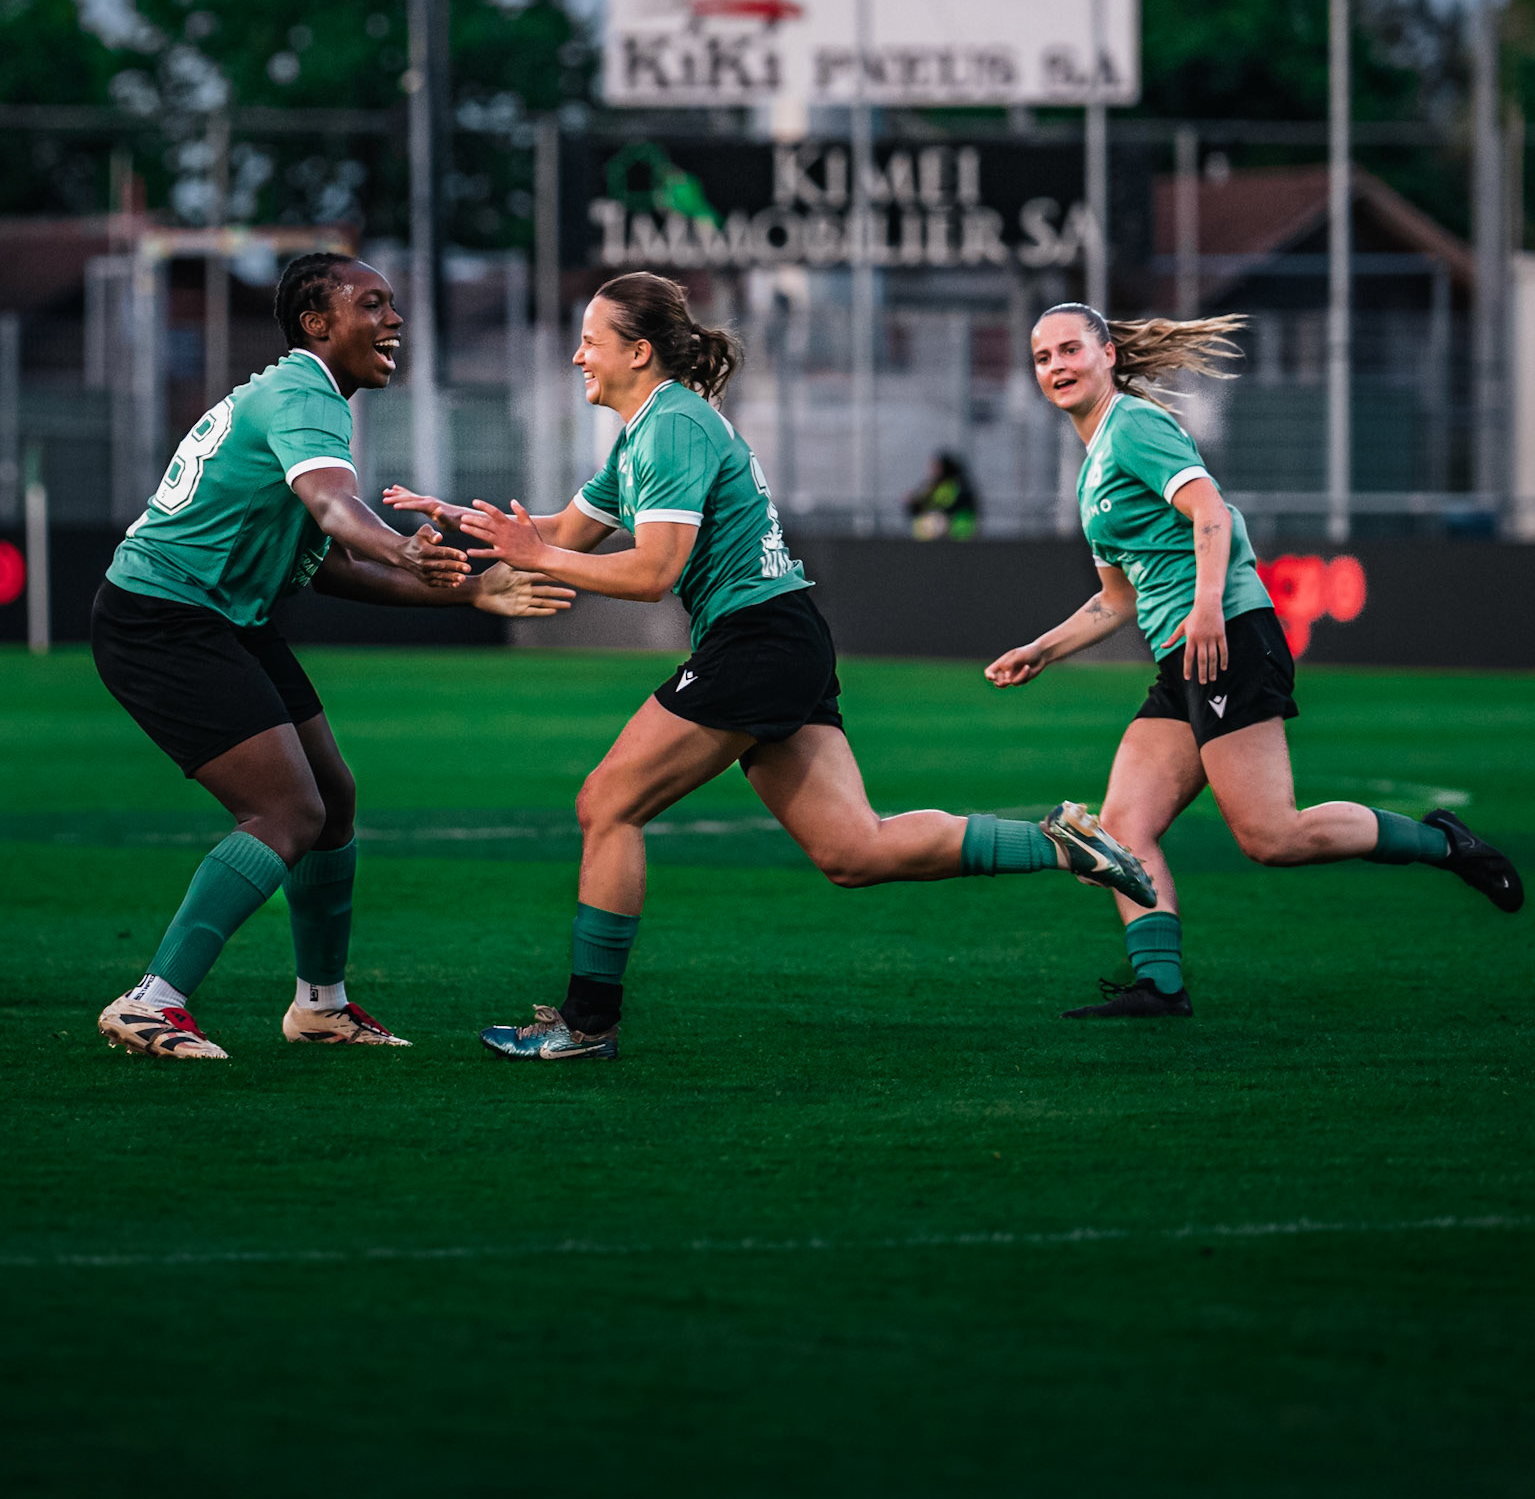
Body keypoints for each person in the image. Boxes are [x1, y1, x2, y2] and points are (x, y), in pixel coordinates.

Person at [383, 269, 1155, 1062]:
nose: (577, 355)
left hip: (757, 640)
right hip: (777, 637)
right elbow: (561, 534)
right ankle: (1063, 845)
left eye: (590, 340)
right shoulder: (650, 427)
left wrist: (536, 554)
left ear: (639, 352)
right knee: (853, 852)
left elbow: (650, 572)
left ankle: (585, 1026)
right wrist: (460, 520)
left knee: (606, 804)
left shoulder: (673, 426)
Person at [91, 252, 574, 1060]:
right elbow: (333, 507)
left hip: (219, 617)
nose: (393, 320)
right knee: (288, 811)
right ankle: (152, 1001)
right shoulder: (304, 389)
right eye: (372, 304)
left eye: (393, 305)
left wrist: (467, 591)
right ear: (318, 324)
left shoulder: (299, 397)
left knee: (333, 801)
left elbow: (331, 563)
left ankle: (320, 1007)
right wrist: (403, 549)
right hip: (162, 615)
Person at [984, 302, 1523, 1020]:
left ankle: (1443, 845)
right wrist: (1040, 650)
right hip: (1184, 657)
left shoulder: (1134, 426)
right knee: (1118, 833)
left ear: (1107, 354)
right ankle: (1159, 986)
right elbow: (1115, 601)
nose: (1055, 365)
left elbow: (1211, 513)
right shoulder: (1090, 471)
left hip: (1226, 638)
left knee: (1272, 837)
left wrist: (1206, 605)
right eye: (1042, 357)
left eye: (1068, 349)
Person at [905, 451, 980, 542]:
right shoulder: (932, 486)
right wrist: (913, 503)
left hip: (958, 529)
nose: (933, 470)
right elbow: (918, 508)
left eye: (937, 466)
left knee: (934, 522)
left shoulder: (956, 485)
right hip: (940, 529)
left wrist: (935, 513)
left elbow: (953, 507)